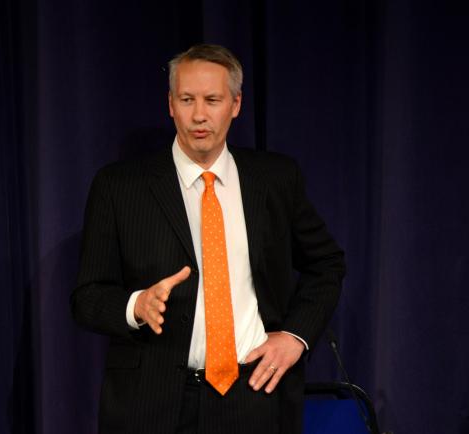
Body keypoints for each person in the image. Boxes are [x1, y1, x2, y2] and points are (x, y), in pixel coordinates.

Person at [71, 44, 346, 434]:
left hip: (252, 395)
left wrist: (295, 336)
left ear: (235, 104)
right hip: (151, 401)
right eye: (187, 100)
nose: (199, 115)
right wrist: (137, 305)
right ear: (171, 104)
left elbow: (326, 264)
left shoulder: (275, 178)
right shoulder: (119, 186)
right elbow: (87, 298)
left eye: (212, 100)